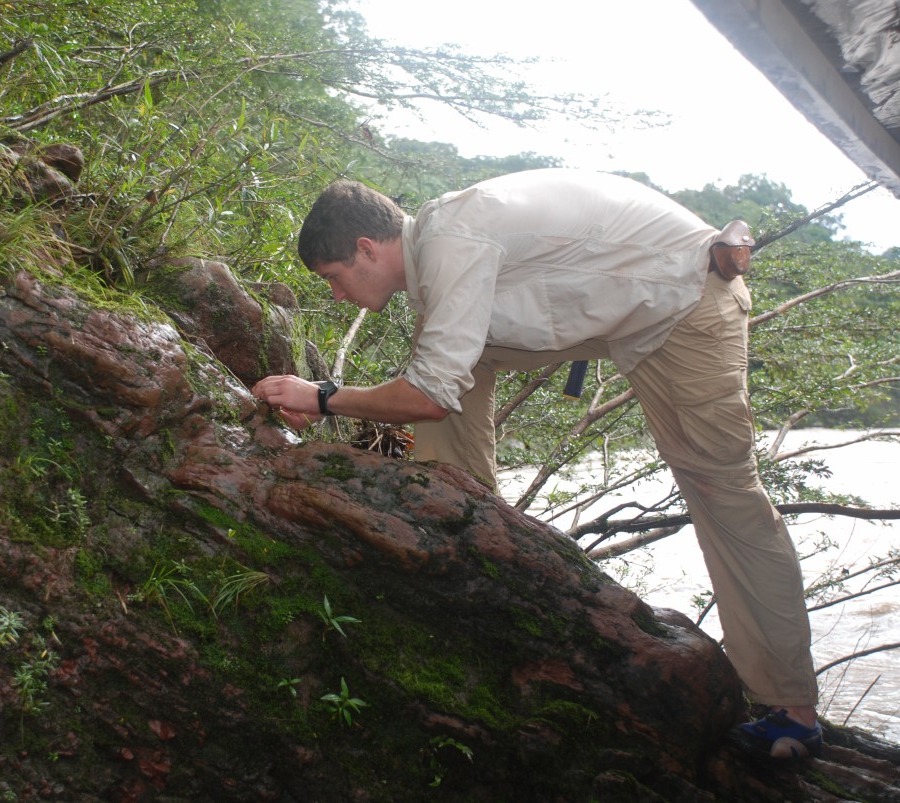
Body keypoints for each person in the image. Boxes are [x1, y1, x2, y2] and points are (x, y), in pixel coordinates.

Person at [251, 169, 822, 761]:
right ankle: (467, 539)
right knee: (442, 354)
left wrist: (321, 397)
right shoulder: (438, 254)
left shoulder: (454, 239)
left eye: (334, 280)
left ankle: (791, 709)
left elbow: (427, 395)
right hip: (622, 306)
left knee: (723, 491)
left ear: (366, 250)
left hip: (685, 302)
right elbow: (440, 380)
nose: (337, 296)